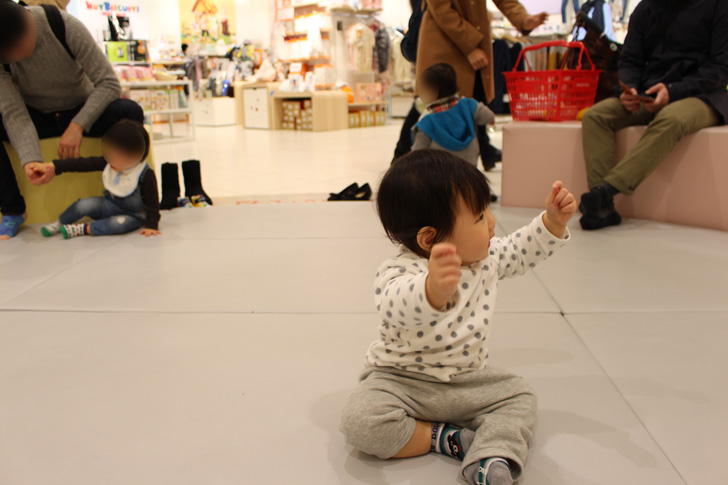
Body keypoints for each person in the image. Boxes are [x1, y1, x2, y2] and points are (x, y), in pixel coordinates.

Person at [340, 150, 576, 485]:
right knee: (359, 421)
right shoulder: (399, 271)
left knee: (520, 395)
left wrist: (551, 223)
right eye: (479, 217)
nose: (492, 223)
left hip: (468, 382)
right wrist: (432, 290)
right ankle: (443, 438)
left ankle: (491, 454)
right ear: (430, 239)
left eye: (487, 210)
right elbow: (396, 303)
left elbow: (518, 251)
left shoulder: (485, 258)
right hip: (401, 381)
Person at [0, 0, 144, 240]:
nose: (15, 58)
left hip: (82, 107)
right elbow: (13, 111)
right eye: (7, 55)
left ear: (27, 24)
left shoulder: (63, 25)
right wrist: (31, 160)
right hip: (40, 116)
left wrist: (79, 124)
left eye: (16, 49)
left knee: (130, 111)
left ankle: (127, 195)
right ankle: (12, 210)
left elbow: (109, 83)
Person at [579, 0, 728, 230]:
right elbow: (630, 59)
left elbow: (721, 66)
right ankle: (602, 209)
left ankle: (605, 192)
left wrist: (673, 90)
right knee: (596, 116)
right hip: (650, 93)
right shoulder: (645, 9)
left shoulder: (718, 6)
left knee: (672, 118)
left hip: (705, 96)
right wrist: (629, 88)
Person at [417, 0, 548, 170]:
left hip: (473, 45)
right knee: (431, 108)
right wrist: (470, 47)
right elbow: (441, 8)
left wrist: (522, 18)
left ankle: (480, 159)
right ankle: (402, 170)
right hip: (447, 43)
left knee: (468, 104)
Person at [26, 120, 160, 239]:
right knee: (83, 204)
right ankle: (60, 222)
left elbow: (153, 202)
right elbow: (81, 164)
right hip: (108, 205)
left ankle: (83, 229)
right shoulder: (109, 163)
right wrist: (52, 166)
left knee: (117, 225)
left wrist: (151, 225)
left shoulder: (144, 174)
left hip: (132, 215)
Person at [412, 63, 496, 167]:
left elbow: (417, 153)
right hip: (469, 165)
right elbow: (489, 117)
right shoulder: (469, 105)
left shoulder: (426, 122)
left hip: (440, 170)